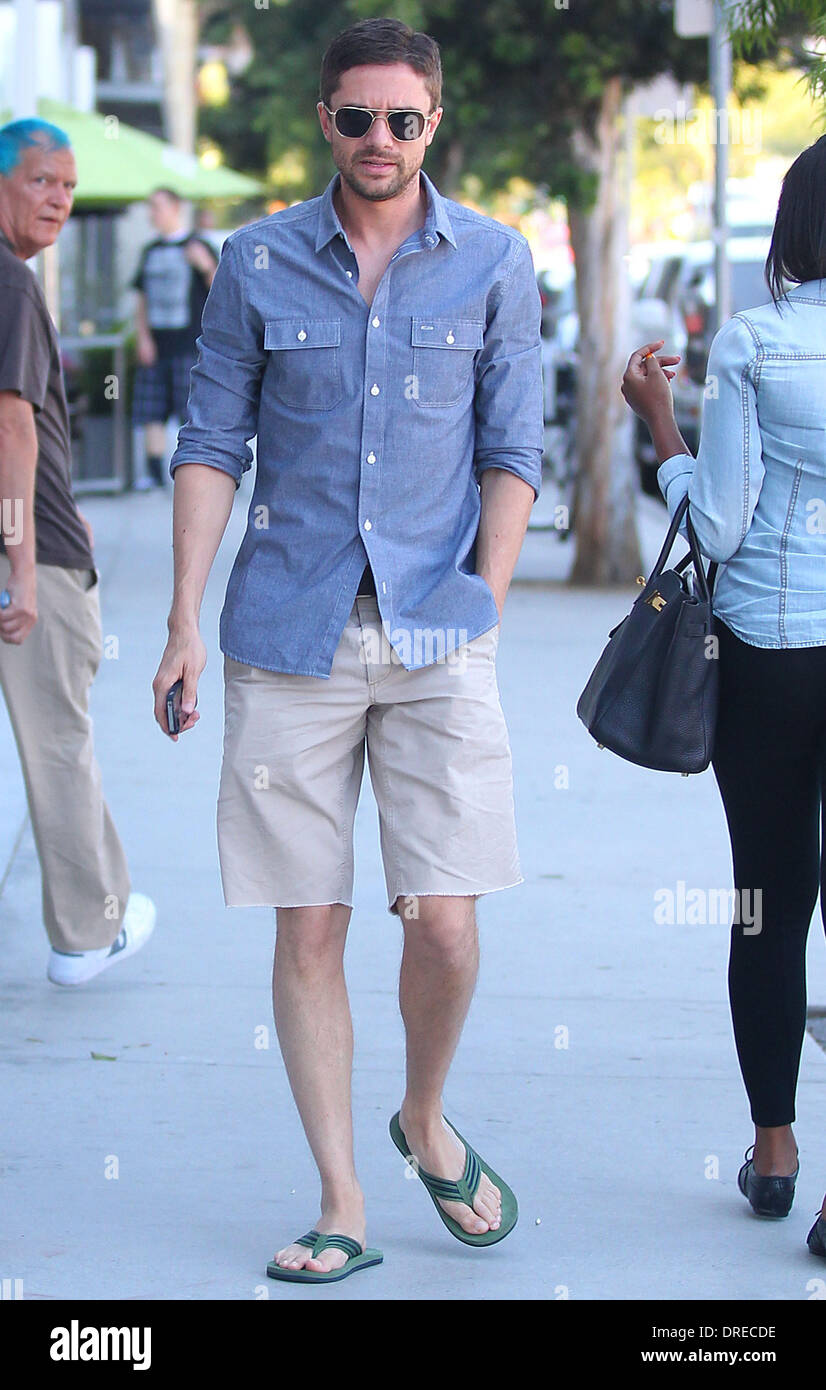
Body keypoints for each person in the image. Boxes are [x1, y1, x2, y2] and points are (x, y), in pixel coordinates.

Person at [152, 16, 543, 1283]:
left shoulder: (492, 258)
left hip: (438, 634)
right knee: (307, 925)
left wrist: (482, 597)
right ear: (325, 119)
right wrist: (180, 627)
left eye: (404, 119)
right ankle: (340, 1199)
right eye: (357, 117)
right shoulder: (255, 259)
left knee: (441, 923)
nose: (380, 139)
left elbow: (513, 451)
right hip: (285, 632)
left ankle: (424, 1116)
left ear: (435, 124)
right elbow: (212, 440)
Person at [621, 133, 826, 1260]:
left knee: (769, 901)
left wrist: (659, 422)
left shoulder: (755, 341)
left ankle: (776, 1147)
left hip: (774, 655)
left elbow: (718, 526)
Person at [0, 118, 155, 986]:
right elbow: (11, 421)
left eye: (67, 184)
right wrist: (23, 557)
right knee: (60, 740)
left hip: (41, 533)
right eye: (39, 182)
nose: (58, 198)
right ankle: (87, 933)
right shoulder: (12, 285)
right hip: (29, 560)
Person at [131, 188, 217, 488]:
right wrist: (142, 337)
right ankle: (153, 475)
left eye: (158, 206)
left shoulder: (200, 245)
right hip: (157, 343)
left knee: (191, 412)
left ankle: (195, 471)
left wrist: (205, 265)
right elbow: (140, 298)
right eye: (150, 207)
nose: (153, 213)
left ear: (176, 207)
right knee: (150, 409)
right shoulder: (149, 251)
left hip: (189, 344)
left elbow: (222, 290)